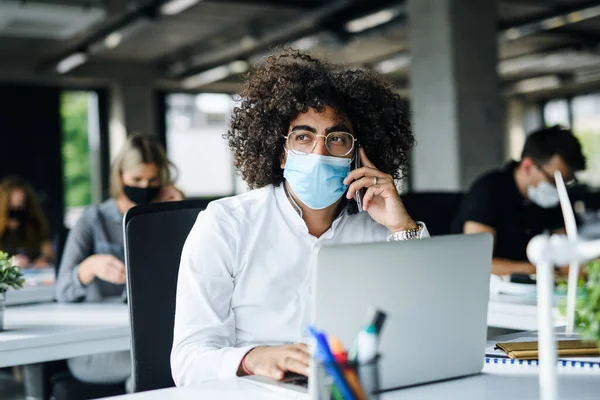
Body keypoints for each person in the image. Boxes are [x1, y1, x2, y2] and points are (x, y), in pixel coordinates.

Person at [171, 49, 429, 386]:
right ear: (281, 153)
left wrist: (401, 227)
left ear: (357, 153)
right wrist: (253, 358)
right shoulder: (225, 224)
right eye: (303, 137)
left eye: (337, 139)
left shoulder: (381, 229)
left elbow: (428, 329)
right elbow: (188, 362)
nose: (319, 152)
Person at [55, 133, 182, 387]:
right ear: (121, 176)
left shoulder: (161, 217)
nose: (144, 186)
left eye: (152, 180)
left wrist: (178, 215)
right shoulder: (93, 220)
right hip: (99, 346)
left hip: (152, 336)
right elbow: (62, 291)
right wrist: (89, 267)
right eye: (137, 179)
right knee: (157, 367)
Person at [452, 125, 586, 277]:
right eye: (553, 180)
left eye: (565, 182)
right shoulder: (489, 190)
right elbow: (476, 262)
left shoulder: (552, 199)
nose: (558, 189)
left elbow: (566, 252)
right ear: (528, 166)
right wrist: (543, 269)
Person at [0, 176, 54, 268]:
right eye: (12, 206)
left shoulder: (34, 223)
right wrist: (9, 263)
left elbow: (48, 253)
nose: (16, 211)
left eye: (20, 204)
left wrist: (43, 259)